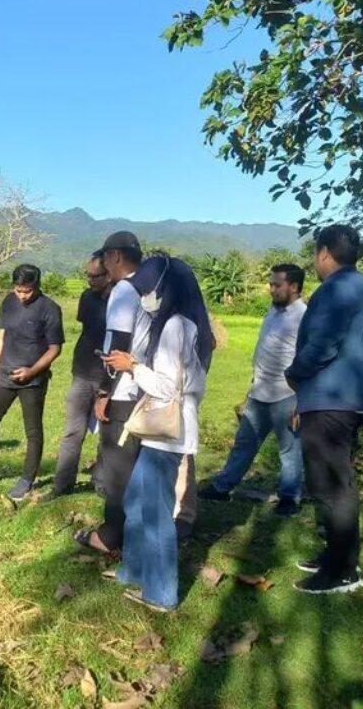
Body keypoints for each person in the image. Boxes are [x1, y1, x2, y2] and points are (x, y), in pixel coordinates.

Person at [286, 225, 363, 594]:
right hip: (353, 400)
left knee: (333, 487)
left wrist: (296, 374)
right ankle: (338, 555)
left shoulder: (334, 290)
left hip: (330, 399)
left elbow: (323, 344)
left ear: (323, 253)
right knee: (338, 482)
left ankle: (341, 572)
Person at [101, 255, 214, 611]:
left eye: (148, 290)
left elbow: (166, 387)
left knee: (155, 512)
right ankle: (134, 570)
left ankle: (162, 591)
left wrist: (131, 366)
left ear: (165, 288)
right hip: (164, 432)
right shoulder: (183, 323)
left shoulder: (174, 327)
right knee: (136, 501)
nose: (144, 298)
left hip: (168, 434)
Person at [199, 264, 307, 516]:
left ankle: (289, 499)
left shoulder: (304, 316)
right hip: (260, 391)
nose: (271, 289)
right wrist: (252, 386)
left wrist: (302, 402)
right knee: (244, 443)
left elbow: (307, 359)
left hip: (287, 395)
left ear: (294, 286)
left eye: (277, 285)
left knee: (289, 450)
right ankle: (223, 487)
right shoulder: (273, 310)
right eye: (271, 284)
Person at [0, 264, 64, 502]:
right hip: (5, 375)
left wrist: (31, 371)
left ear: (37, 286)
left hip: (33, 380)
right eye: (18, 290)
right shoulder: (8, 302)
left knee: (33, 431)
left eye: (26, 291)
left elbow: (54, 348)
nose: (22, 295)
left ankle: (27, 480)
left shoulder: (49, 309)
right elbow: (2, 337)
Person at [76, 231, 151, 553]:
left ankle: (110, 536)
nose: (105, 265)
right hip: (146, 387)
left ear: (116, 257)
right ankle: (138, 528)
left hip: (123, 391)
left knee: (117, 466)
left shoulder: (124, 289)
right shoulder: (152, 287)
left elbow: (119, 342)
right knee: (138, 464)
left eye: (106, 258)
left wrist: (104, 392)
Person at [48, 252, 110, 497]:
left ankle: (103, 484)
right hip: (83, 372)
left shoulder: (124, 299)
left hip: (110, 377)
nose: (90, 281)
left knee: (108, 434)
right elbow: (88, 328)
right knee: (73, 431)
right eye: (88, 275)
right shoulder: (87, 297)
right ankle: (62, 485)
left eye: (96, 276)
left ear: (110, 274)